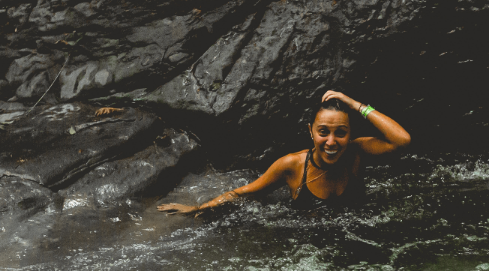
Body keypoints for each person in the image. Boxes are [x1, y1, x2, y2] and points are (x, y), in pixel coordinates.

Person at [156, 90, 411, 214]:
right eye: (323, 132)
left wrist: (356, 105)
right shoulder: (292, 165)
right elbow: (244, 192)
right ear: (311, 132)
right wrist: (197, 209)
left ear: (350, 133)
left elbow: (402, 141)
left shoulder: (357, 151)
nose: (331, 142)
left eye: (341, 133)